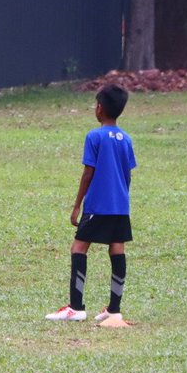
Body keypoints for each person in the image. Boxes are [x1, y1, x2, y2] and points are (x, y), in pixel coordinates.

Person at [46, 83, 136, 327]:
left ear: (100, 108)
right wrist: (121, 197)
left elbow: (88, 173)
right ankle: (114, 310)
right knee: (117, 249)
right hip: (120, 206)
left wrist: (77, 205)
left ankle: (76, 307)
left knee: (79, 247)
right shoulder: (126, 139)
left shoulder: (94, 137)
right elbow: (127, 174)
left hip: (97, 206)